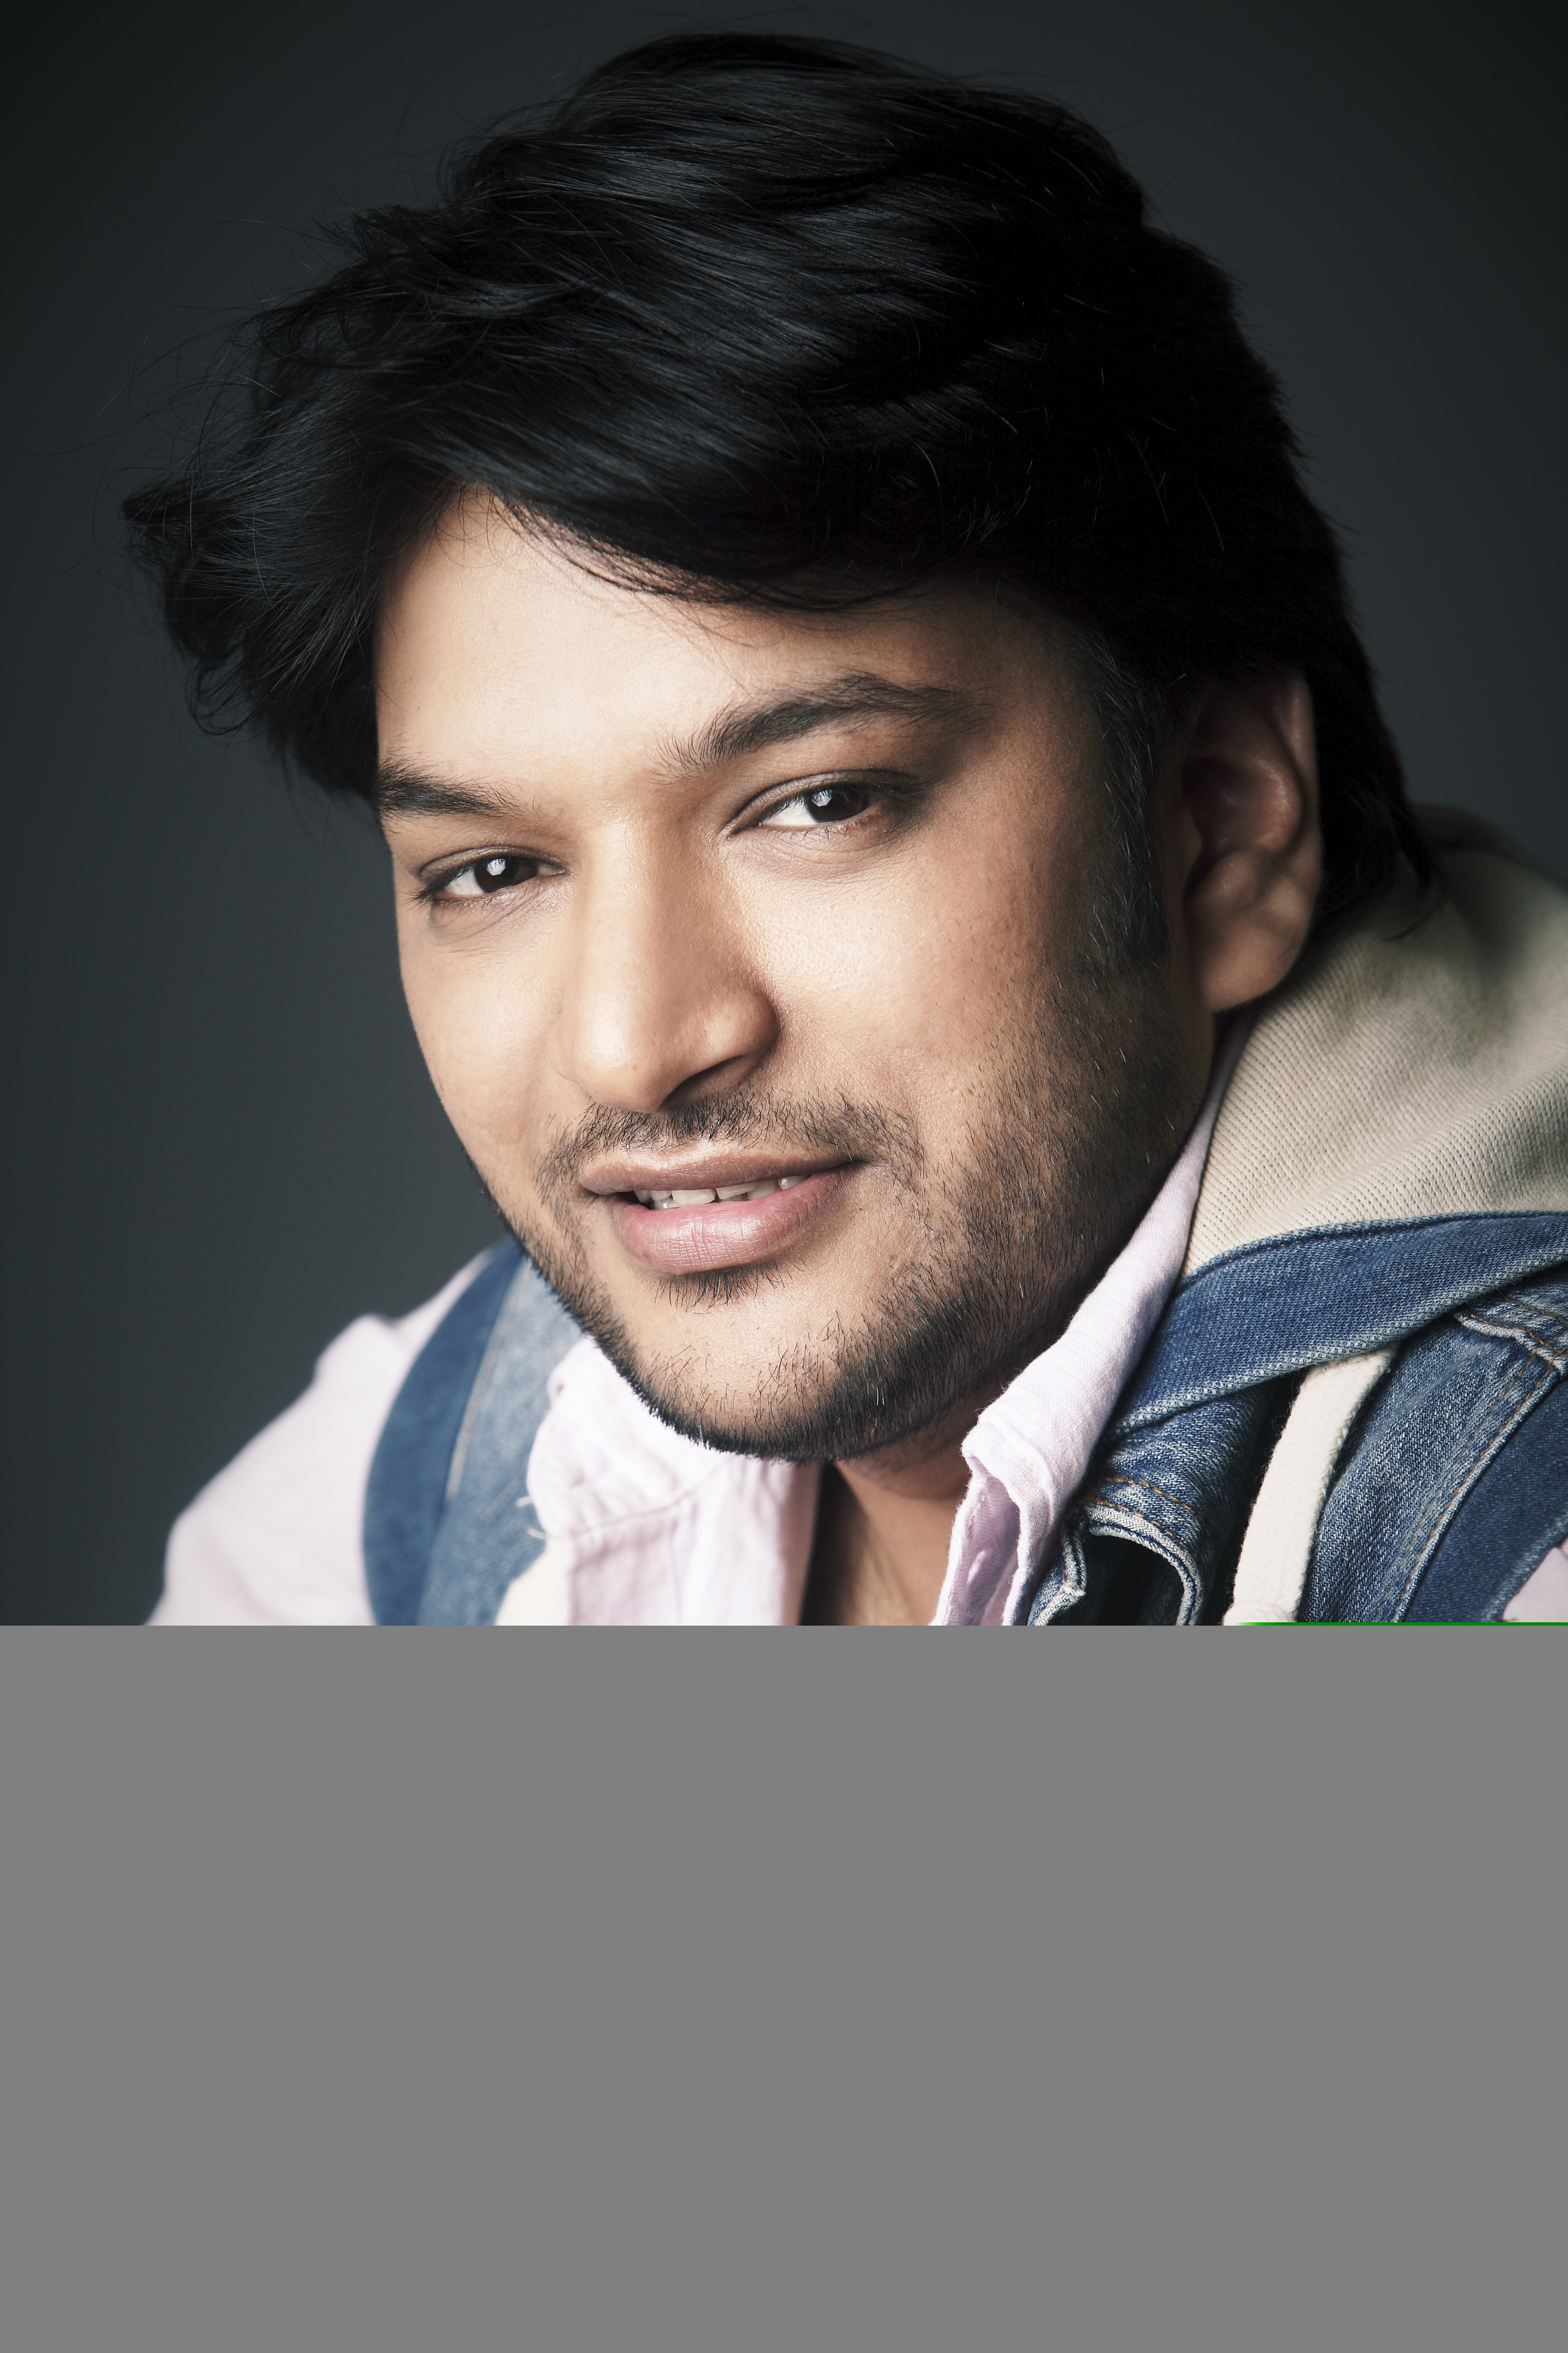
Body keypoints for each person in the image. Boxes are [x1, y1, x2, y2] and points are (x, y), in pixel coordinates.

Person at [130, 32, 1567, 1625]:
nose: (633, 1047)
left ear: (1221, 827)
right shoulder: (430, 1470)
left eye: (815, 803)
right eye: (494, 869)